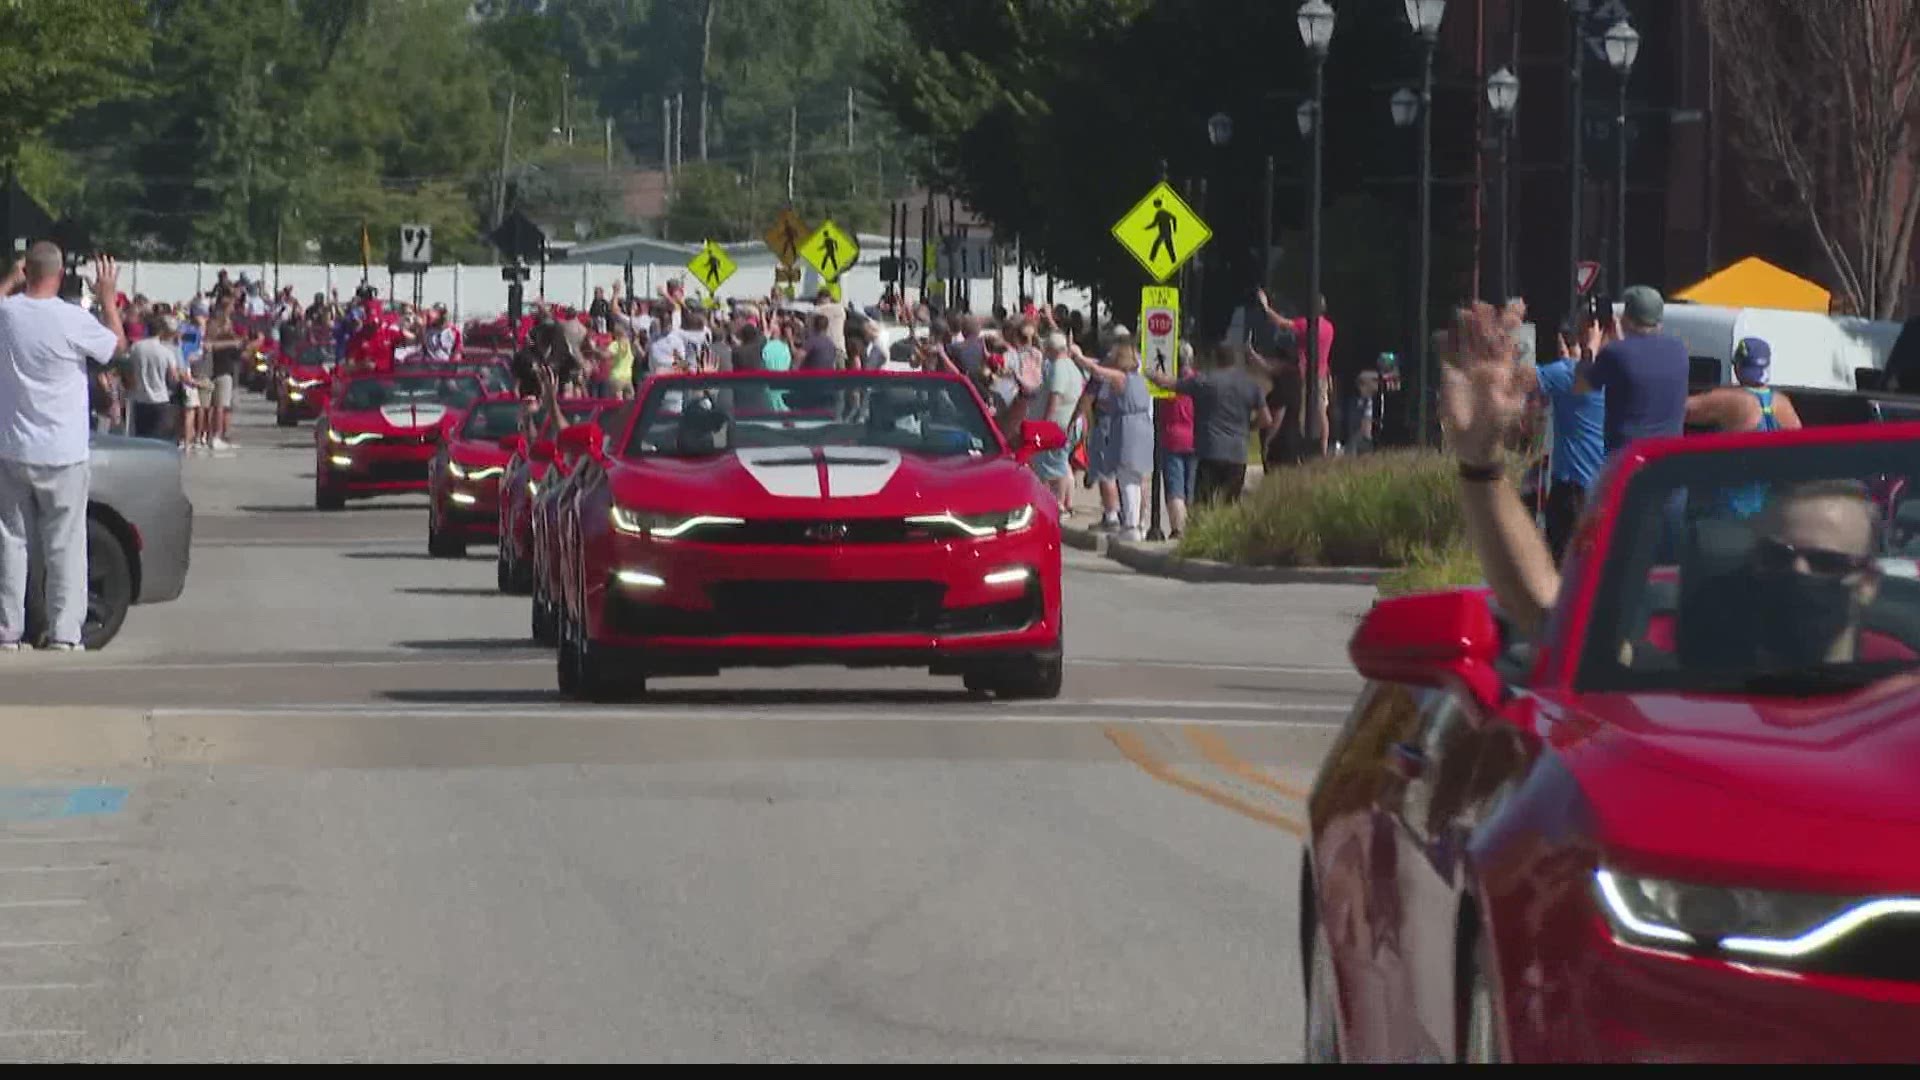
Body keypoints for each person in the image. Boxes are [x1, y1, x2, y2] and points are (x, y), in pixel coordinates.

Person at [1439, 302, 1882, 669]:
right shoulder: (1781, 406)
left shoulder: (1728, 399)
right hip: (1723, 511)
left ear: (1869, 580)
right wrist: (1482, 468)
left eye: (1826, 563)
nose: (1798, 573)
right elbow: (1552, 617)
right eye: (1778, 556)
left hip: (1705, 508)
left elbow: (1668, 405)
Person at [0, 245, 127, 651]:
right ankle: (64, 633)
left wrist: (10, 280)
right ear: (58, 274)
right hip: (63, 452)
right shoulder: (73, 319)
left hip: (14, 447)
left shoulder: (9, 314)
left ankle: (8, 630)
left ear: (28, 272)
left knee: (12, 542)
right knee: (65, 546)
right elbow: (116, 347)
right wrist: (107, 297)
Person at [1575, 285, 1689, 456]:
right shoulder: (1679, 350)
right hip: (1669, 458)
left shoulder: (1615, 353)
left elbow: (1582, 386)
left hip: (1628, 461)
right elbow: (1640, 359)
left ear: (1626, 318)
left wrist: (1591, 344)